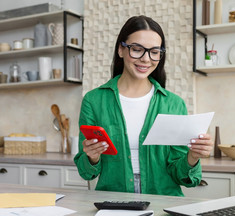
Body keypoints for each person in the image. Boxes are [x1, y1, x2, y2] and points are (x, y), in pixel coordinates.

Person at [74, 15, 214, 196]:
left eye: (154, 52)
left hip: (163, 204)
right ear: (120, 50)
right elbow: (87, 172)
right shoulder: (94, 101)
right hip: (114, 203)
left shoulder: (174, 104)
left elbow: (182, 177)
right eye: (137, 49)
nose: (146, 59)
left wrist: (193, 157)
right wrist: (92, 157)